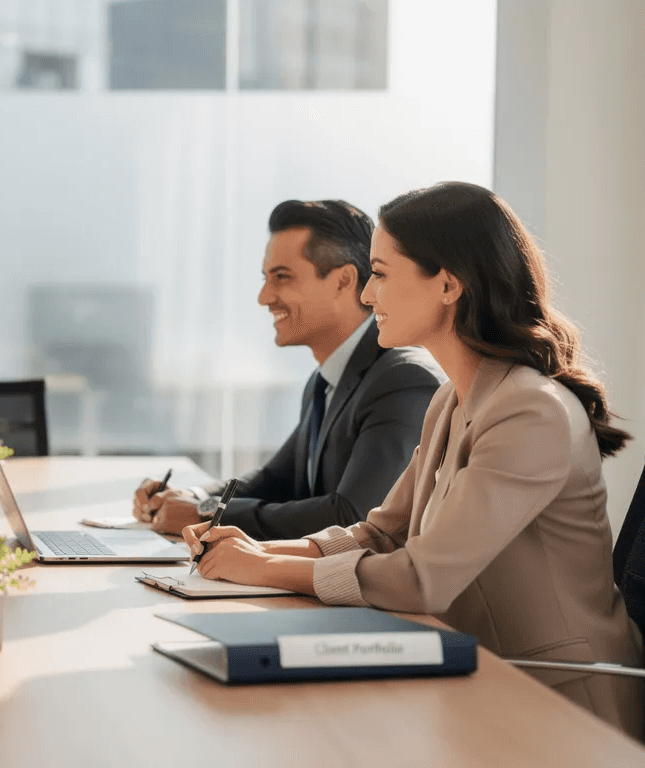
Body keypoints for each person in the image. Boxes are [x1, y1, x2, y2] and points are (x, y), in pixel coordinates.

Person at [187, 182, 643, 736]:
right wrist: (257, 548)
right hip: (484, 680)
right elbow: (382, 532)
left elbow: (423, 579)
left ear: (448, 283)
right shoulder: (452, 398)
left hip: (562, 699)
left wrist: (262, 569)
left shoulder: (531, 411)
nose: (369, 295)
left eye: (379, 274)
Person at [133, 200, 443, 539]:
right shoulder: (325, 381)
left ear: (343, 281)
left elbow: (354, 515)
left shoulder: (403, 379)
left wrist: (207, 514)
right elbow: (274, 482)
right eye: (266, 279)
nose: (264, 297)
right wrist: (189, 497)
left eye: (282, 277)